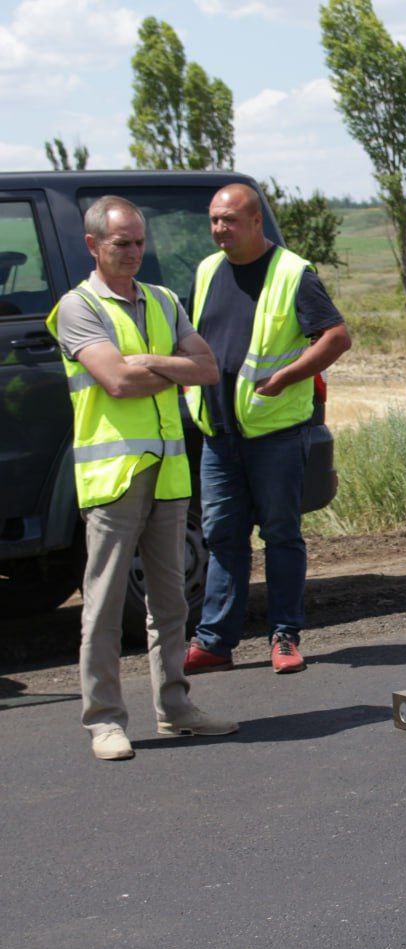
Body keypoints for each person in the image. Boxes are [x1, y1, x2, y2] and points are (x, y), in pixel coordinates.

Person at [46, 195, 238, 760]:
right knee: (104, 604)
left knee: (171, 601)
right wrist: (161, 367)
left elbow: (206, 369)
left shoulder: (161, 300)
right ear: (93, 246)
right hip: (114, 478)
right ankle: (104, 719)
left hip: (169, 473)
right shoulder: (78, 307)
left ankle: (175, 708)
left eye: (137, 242)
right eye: (119, 243)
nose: (132, 252)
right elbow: (116, 384)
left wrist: (146, 363)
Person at [182, 184, 351, 676]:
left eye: (229, 220)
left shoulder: (292, 273)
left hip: (275, 433)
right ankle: (215, 642)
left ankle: (284, 636)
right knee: (222, 537)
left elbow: (336, 337)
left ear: (256, 222)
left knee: (280, 534)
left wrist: (286, 377)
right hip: (218, 433)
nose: (219, 229)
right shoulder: (208, 270)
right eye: (214, 220)